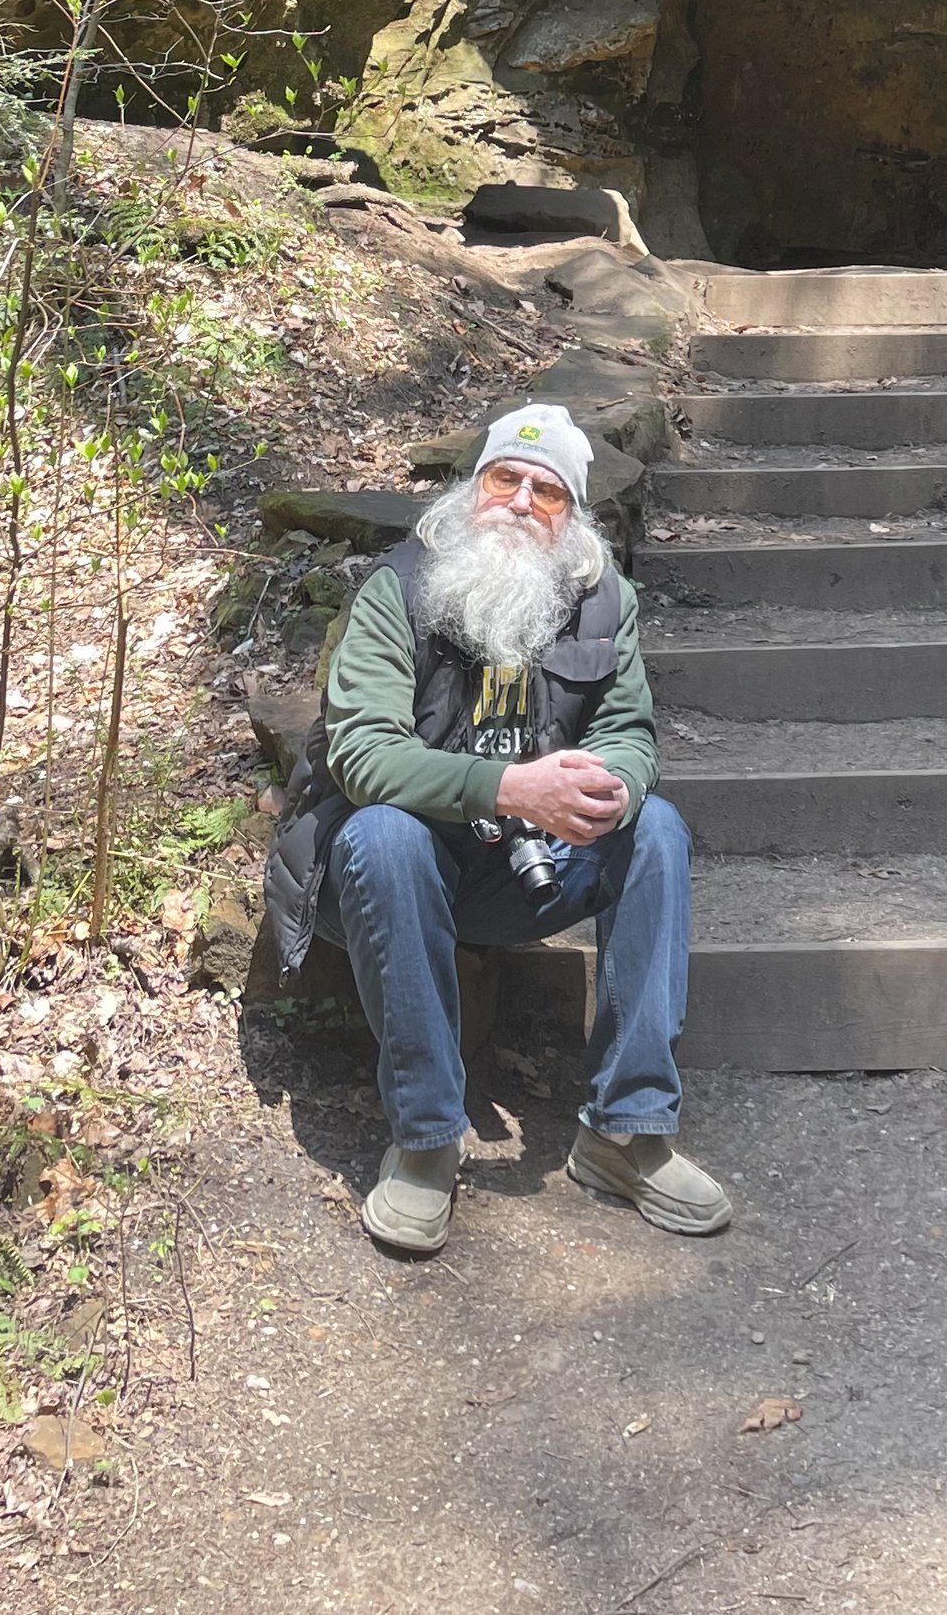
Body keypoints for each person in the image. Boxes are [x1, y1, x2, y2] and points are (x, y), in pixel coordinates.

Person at [263, 404, 732, 1256]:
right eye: (504, 478)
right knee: (381, 834)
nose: (520, 501)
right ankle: (425, 1137)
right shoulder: (397, 590)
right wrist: (511, 787)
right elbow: (364, 757)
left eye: (546, 489)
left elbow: (630, 733)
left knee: (654, 827)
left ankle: (626, 1132)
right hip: (392, 875)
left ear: (572, 515)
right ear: (473, 489)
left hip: (522, 873)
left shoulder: (602, 600)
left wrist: (611, 787)